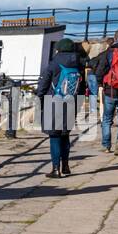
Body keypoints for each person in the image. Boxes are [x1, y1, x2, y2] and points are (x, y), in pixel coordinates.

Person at [35, 37, 86, 178]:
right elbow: (82, 87)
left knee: (54, 136)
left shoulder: (54, 64)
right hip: (71, 102)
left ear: (59, 49)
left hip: (54, 102)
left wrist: (39, 99)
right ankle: (66, 166)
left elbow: (43, 85)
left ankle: (56, 169)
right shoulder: (79, 65)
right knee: (65, 135)